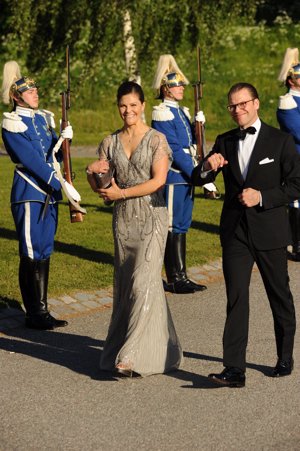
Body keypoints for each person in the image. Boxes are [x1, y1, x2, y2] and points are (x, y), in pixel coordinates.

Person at [192, 82, 300, 387]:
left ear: (255, 104)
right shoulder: (224, 141)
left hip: (270, 231)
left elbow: (295, 185)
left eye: (243, 104)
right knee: (236, 298)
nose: (237, 111)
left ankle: (284, 357)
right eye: (232, 106)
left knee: (279, 296)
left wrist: (262, 197)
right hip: (236, 233)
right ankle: (234, 369)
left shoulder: (281, 141)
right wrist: (206, 166)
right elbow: (198, 179)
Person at [86, 81, 183, 377]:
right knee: (130, 286)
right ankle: (161, 350)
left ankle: (129, 356)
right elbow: (103, 190)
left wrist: (122, 194)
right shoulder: (109, 142)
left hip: (152, 216)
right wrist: (93, 175)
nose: (127, 110)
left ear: (142, 106)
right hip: (123, 220)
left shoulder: (157, 140)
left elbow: (159, 181)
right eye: (122, 105)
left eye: (133, 105)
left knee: (144, 280)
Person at [1, 61, 74, 330]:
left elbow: (54, 153)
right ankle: (33, 313)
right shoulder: (12, 122)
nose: (35, 94)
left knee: (44, 250)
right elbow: (31, 160)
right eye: (29, 92)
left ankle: (42, 310)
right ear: (16, 96)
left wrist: (66, 139)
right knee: (30, 252)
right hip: (30, 191)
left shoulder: (43, 119)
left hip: (49, 192)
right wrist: (60, 182)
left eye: (35, 91)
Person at [151, 54, 207, 294]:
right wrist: (196, 172)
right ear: (166, 89)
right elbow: (173, 148)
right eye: (176, 85)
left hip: (187, 172)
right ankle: (174, 277)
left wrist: (198, 125)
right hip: (176, 174)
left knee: (182, 224)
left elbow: (194, 143)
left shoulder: (181, 111)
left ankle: (182, 274)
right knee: (172, 224)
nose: (181, 87)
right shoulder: (162, 113)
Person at [277, 48, 300, 261]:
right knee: (296, 200)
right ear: (291, 80)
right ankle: (296, 243)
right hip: (296, 157)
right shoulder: (288, 101)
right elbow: (297, 130)